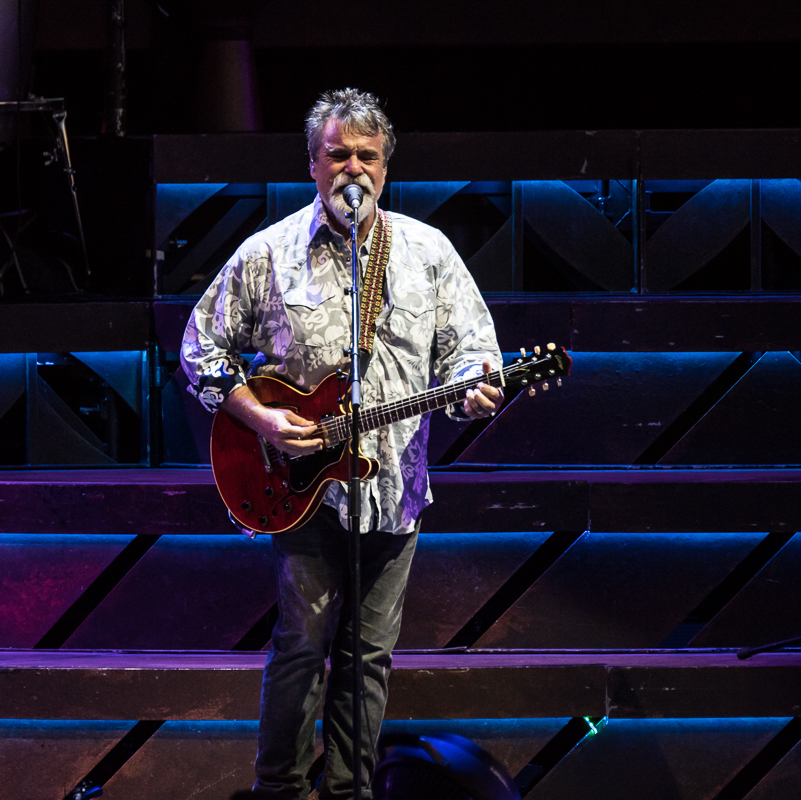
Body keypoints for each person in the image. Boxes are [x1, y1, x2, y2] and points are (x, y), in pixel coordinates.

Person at [181, 88, 503, 800]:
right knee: (301, 646)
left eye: (367, 156)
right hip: (301, 490)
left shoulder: (428, 252)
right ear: (312, 163)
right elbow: (201, 349)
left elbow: (471, 352)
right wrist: (262, 420)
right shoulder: (269, 253)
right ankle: (280, 789)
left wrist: (476, 386)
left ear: (385, 167)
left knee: (369, 657)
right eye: (337, 155)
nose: (352, 168)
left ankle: (350, 791)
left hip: (393, 490)